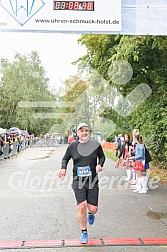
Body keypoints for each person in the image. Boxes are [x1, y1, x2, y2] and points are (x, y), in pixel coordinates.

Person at [59, 123, 105, 244]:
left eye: (86, 131)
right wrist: (63, 168)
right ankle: (84, 232)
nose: (84, 133)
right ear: (77, 133)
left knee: (93, 209)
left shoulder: (95, 144)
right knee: (81, 206)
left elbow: (102, 157)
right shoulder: (73, 146)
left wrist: (100, 164)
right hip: (78, 181)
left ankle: (91, 213)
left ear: (89, 132)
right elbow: (65, 158)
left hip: (92, 181)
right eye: (81, 131)